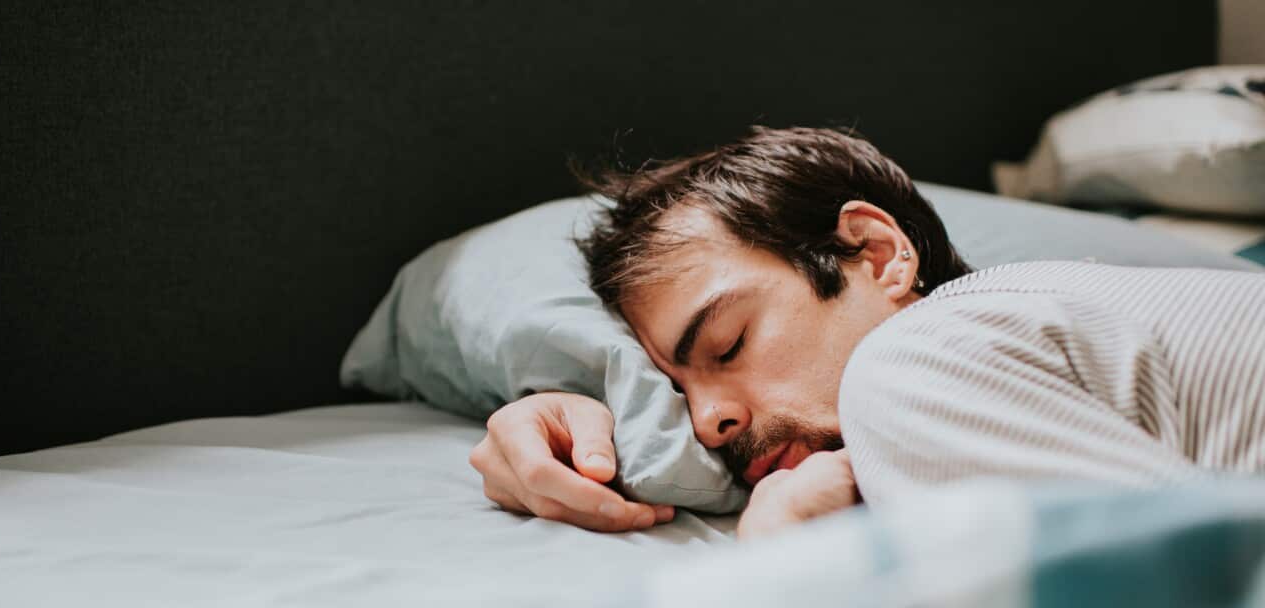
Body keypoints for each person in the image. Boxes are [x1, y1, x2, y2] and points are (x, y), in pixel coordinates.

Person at [468, 126, 1265, 538]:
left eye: (729, 346)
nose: (707, 423)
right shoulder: (1060, 324)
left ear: (878, 254)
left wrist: (780, 554)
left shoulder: (909, 361)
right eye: (678, 394)